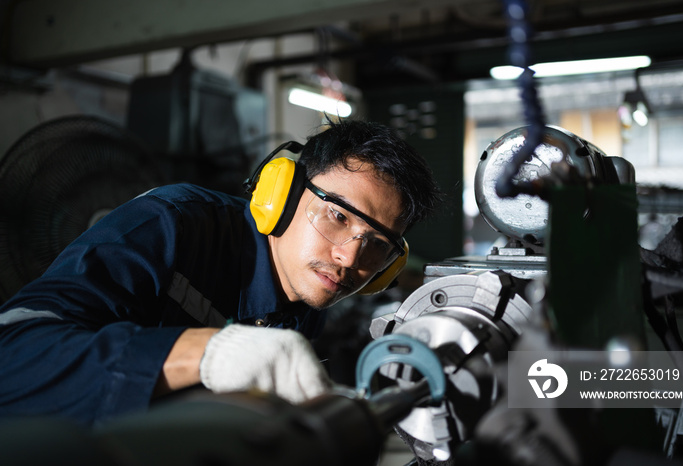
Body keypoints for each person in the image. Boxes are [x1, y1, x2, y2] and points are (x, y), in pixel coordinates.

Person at [0, 118, 441, 427]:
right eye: (337, 217)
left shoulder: (308, 296)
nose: (349, 258)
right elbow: (13, 355)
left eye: (377, 244)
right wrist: (210, 353)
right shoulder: (172, 224)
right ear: (281, 194)